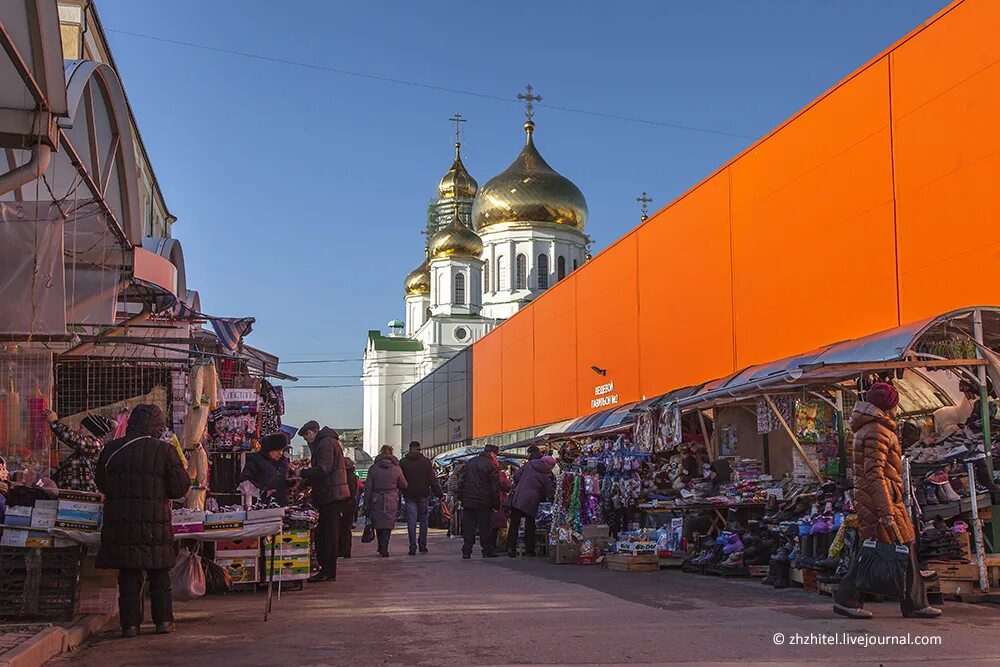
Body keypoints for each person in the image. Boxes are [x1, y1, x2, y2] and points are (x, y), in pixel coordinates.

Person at [833, 382, 942, 620]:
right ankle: (847, 598)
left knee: (901, 546)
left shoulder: (873, 428)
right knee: (872, 551)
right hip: (882, 500)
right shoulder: (877, 431)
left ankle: (915, 603)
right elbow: (874, 473)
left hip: (883, 497)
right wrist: (885, 510)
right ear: (889, 405)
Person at [95, 404, 189, 638]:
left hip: (121, 523)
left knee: (128, 574)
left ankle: (130, 626)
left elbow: (101, 483)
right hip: (154, 525)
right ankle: (163, 621)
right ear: (157, 426)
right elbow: (179, 487)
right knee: (159, 574)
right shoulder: (164, 451)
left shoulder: (111, 449)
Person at [298, 421, 352, 583]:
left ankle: (328, 570)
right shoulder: (328, 442)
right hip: (332, 493)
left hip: (331, 495)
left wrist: (302, 473)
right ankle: (327, 569)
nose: (307, 440)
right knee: (326, 533)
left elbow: (323, 469)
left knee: (329, 534)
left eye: (307, 436)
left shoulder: (325, 444)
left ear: (313, 431)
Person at [44, 410, 115, 492]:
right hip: (74, 497)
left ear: (91, 431)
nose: (79, 431)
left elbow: (74, 439)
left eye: (81, 427)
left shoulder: (96, 445)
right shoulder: (85, 451)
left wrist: (55, 422)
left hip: (84, 497)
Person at [399, 441, 444, 555]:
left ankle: (412, 546)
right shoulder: (426, 462)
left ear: (409, 449)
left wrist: (400, 493)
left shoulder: (403, 462)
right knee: (423, 519)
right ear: (419, 449)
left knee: (411, 520)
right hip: (423, 494)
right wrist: (439, 493)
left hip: (409, 494)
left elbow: (399, 480)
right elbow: (432, 479)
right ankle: (422, 545)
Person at [507, 455, 556, 557]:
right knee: (530, 525)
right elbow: (549, 491)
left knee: (514, 524)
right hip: (531, 500)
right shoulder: (546, 473)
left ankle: (511, 548)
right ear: (549, 465)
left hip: (518, 497)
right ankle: (530, 550)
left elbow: (516, 476)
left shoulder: (529, 464)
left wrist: (522, 484)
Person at [458, 444, 501, 559]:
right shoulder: (491, 465)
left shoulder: (470, 462)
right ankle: (487, 550)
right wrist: (496, 503)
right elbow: (495, 487)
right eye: (496, 455)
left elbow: (461, 482)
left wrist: (461, 498)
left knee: (469, 527)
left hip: (469, 501)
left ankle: (467, 550)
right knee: (485, 527)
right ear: (492, 453)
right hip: (484, 501)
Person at [365, 448, 407, 557]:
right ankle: (385, 547)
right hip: (391, 498)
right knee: (388, 524)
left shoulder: (373, 468)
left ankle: (380, 546)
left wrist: (366, 502)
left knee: (378, 522)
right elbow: (404, 485)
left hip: (376, 498)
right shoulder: (396, 469)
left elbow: (368, 487)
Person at [240, 433, 292, 505]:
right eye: (277, 451)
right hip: (261, 504)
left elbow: (285, 479)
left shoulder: (283, 462)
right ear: (269, 450)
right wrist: (263, 491)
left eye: (282, 450)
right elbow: (246, 480)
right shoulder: (256, 460)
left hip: (281, 503)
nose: (280, 453)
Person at [340, 458, 359, 558]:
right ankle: (345, 551)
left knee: (343, 528)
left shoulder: (345, 476)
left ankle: (343, 550)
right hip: (350, 503)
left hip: (345, 503)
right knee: (346, 528)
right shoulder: (352, 475)